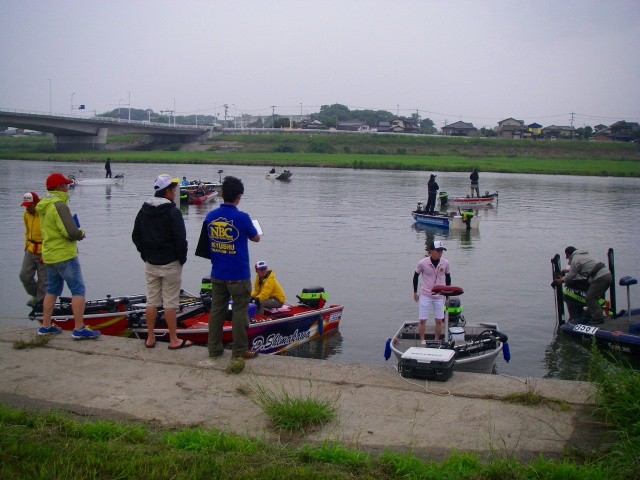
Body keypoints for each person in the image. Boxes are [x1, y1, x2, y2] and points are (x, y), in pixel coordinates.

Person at [195, 176, 261, 361]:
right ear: (239, 196)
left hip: (217, 273)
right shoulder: (242, 217)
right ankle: (239, 351)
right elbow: (256, 238)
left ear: (222, 194)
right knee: (240, 311)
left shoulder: (210, 216)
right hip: (238, 275)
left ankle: (214, 349)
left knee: (217, 310)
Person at [36, 173, 99, 339]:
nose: (67, 187)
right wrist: (81, 233)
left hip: (49, 254)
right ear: (59, 188)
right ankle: (79, 328)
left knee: (52, 290)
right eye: (65, 185)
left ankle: (45, 325)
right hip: (64, 254)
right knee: (78, 289)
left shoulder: (44, 204)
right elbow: (70, 231)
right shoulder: (59, 205)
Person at [132, 174, 191, 349]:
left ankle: (150, 338)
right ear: (167, 192)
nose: (175, 193)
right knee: (171, 302)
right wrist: (182, 258)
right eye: (173, 190)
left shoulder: (144, 210)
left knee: (152, 301)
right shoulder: (173, 211)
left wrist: (145, 254)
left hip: (151, 262)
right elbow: (181, 239)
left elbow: (136, 236)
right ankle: (174, 339)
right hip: (171, 262)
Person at [554, 246, 612, 324]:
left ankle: (598, 318)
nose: (567, 258)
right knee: (595, 297)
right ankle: (593, 313)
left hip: (600, 278)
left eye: (567, 256)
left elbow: (572, 276)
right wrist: (567, 270)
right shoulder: (585, 255)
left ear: (568, 254)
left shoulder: (575, 259)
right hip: (608, 275)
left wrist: (562, 280)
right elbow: (584, 267)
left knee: (589, 297)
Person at [413, 240, 451, 343]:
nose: (440, 253)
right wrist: (415, 292)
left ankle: (436, 339)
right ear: (431, 251)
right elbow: (416, 276)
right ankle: (422, 340)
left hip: (439, 295)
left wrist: (447, 293)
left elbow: (448, 276)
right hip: (426, 294)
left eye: (441, 251)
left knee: (439, 320)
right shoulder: (423, 262)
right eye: (438, 251)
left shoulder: (445, 263)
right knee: (422, 319)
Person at [19, 192, 47, 309]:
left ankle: (42, 303)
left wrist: (46, 252)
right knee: (24, 275)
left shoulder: (44, 214)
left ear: (36, 203)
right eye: (25, 205)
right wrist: (26, 244)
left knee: (43, 280)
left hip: (43, 250)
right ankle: (37, 295)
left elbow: (50, 234)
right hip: (30, 248)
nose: (27, 207)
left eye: (29, 205)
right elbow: (27, 230)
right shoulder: (26, 214)